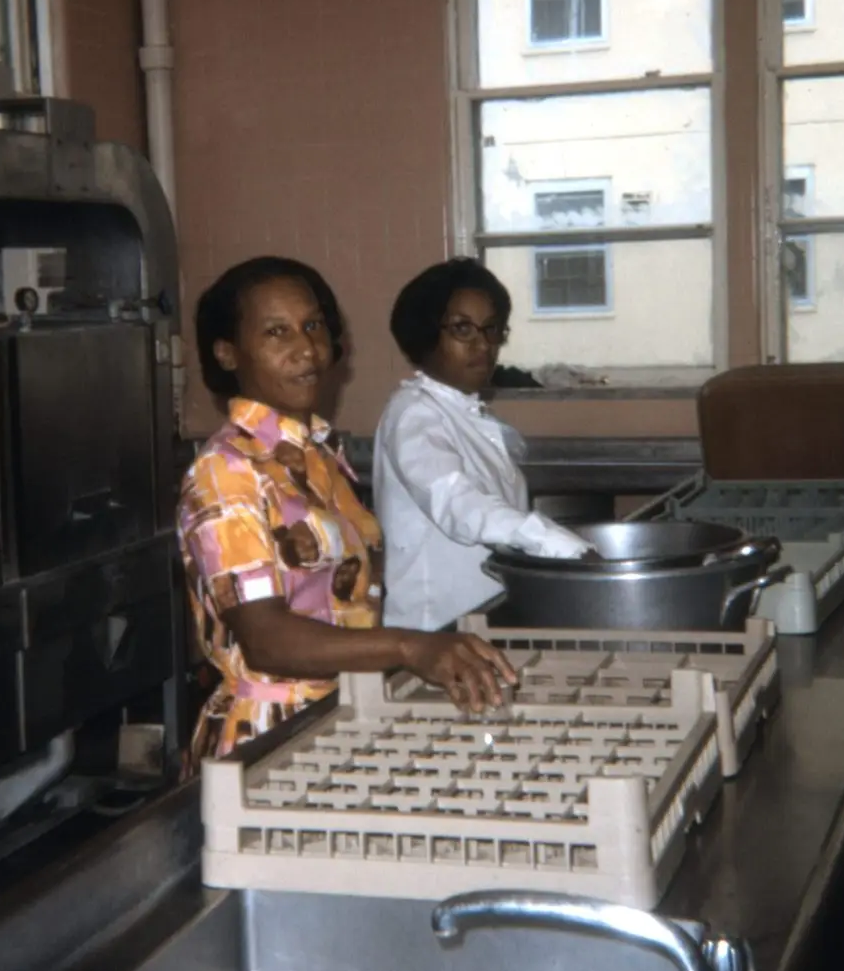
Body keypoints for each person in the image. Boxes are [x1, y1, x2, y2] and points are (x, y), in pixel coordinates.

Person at [177, 256, 516, 766]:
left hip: (337, 716)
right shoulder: (227, 471)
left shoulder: (317, 456)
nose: (306, 349)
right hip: (270, 738)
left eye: (313, 325)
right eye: (276, 332)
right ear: (227, 353)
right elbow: (266, 640)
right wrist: (410, 648)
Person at [373, 257, 592, 634]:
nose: (483, 345)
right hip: (435, 632)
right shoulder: (414, 413)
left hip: (478, 621)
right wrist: (556, 543)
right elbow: (457, 501)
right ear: (424, 335)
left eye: (491, 329)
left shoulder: (465, 412)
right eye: (462, 329)